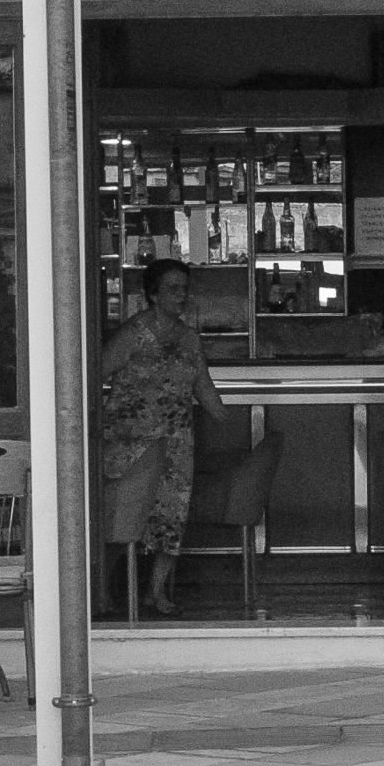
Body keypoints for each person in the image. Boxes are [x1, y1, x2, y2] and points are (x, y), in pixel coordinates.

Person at [98, 258, 228, 617]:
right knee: (121, 517)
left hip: (176, 442)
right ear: (153, 294)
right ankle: (102, 592)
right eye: (173, 288)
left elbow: (202, 384)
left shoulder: (189, 337)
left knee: (171, 517)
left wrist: (222, 414)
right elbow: (95, 375)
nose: (181, 295)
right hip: (130, 443)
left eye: (185, 289)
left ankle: (156, 593)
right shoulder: (133, 333)